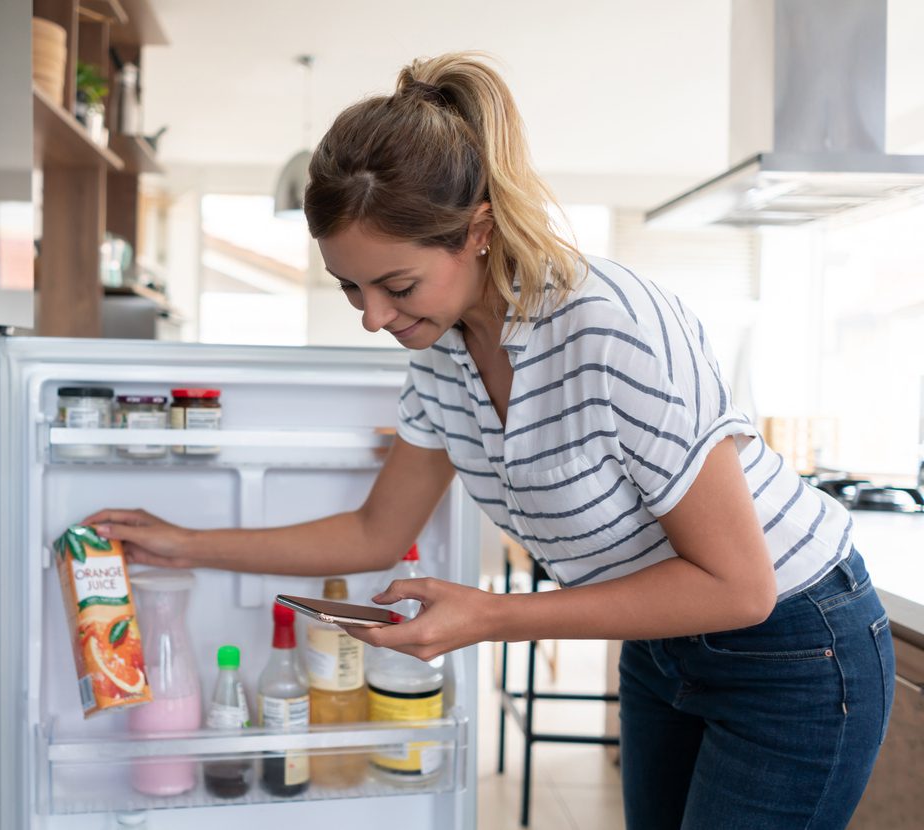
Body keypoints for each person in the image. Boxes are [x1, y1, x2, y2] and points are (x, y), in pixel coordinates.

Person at [84, 52, 893, 829]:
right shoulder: (443, 352)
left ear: (477, 230)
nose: (372, 317)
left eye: (395, 285)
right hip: (662, 649)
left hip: (795, 652)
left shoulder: (610, 326)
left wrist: (491, 615)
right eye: (350, 288)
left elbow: (740, 587)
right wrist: (185, 543)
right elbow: (377, 531)